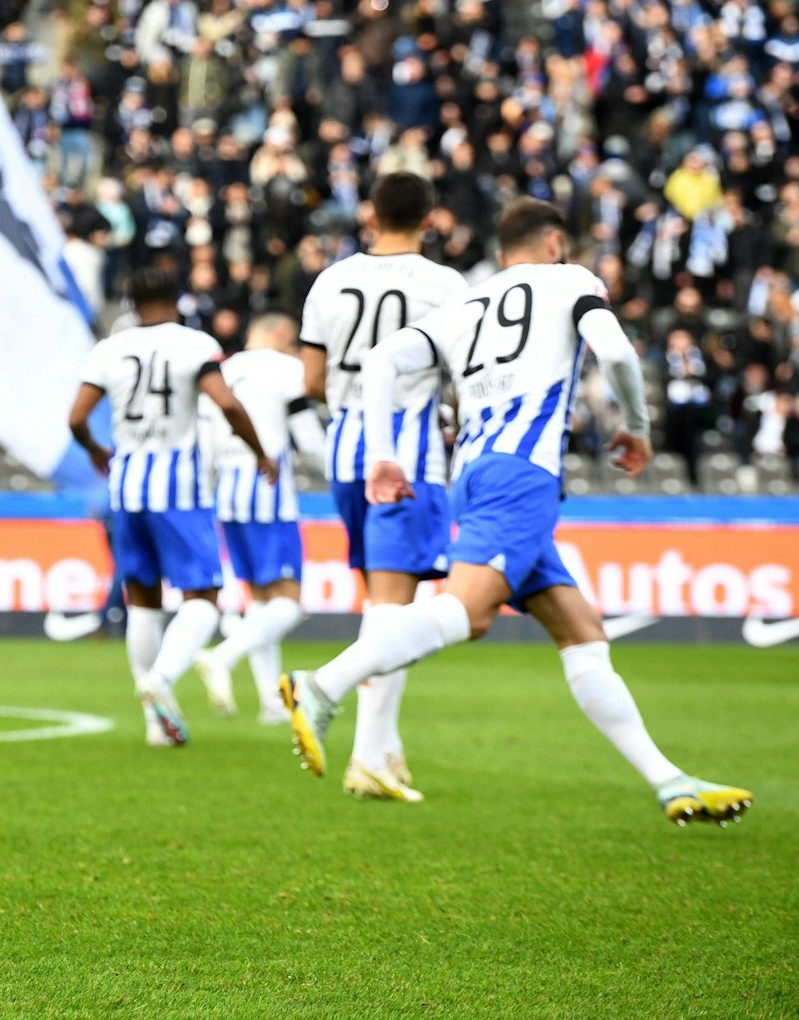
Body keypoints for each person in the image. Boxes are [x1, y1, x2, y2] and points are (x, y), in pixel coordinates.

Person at [283, 200, 753, 827]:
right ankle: (322, 685)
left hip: (471, 473)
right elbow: (613, 350)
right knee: (467, 613)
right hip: (522, 474)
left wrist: (384, 455)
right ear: (556, 240)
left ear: (502, 253)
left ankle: (670, 782)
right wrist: (638, 426)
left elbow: (380, 362)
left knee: (583, 633)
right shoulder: (571, 281)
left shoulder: (466, 303)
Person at [297, 172, 467, 802]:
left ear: (369, 215)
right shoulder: (446, 285)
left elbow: (312, 377)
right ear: (431, 218)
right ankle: (366, 757)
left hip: (345, 449)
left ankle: (386, 745)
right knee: (396, 608)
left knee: (384, 601)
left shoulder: (331, 279)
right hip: (406, 456)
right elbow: (460, 374)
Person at [67, 267, 276, 749]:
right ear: (177, 299)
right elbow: (227, 403)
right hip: (178, 489)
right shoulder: (193, 344)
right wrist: (259, 451)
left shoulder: (108, 350)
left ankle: (155, 727)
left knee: (144, 603)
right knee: (202, 599)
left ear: (132, 304)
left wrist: (96, 450)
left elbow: (76, 417)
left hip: (126, 490)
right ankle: (160, 679)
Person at [192, 314, 326, 726]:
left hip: (228, 499)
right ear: (283, 336)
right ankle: (222, 656)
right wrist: (335, 474)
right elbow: (309, 439)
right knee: (288, 604)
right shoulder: (287, 370)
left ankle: (272, 703)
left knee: (263, 604)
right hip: (269, 497)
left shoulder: (223, 372)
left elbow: (205, 444)